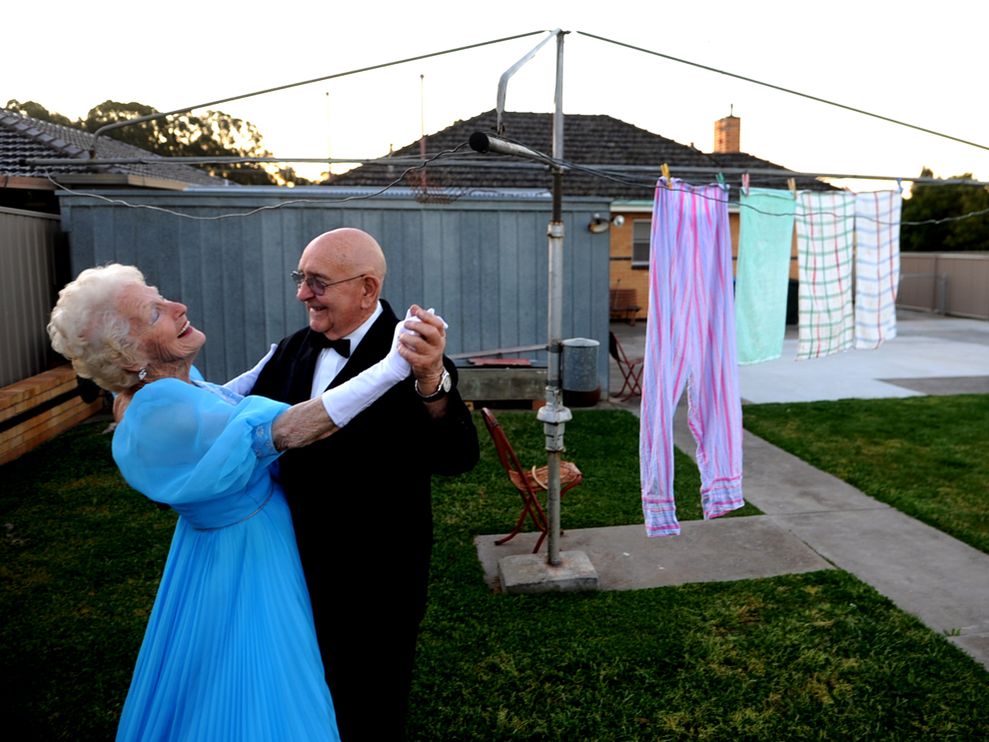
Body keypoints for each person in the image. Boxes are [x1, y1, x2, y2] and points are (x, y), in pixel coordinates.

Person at [47, 262, 439, 742]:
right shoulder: (157, 411)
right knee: (255, 683)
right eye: (155, 313)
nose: (178, 306)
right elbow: (293, 427)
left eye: (161, 295)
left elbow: (216, 404)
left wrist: (259, 369)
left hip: (225, 548)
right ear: (130, 356)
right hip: (245, 562)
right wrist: (395, 366)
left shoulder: (159, 390)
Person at [250, 227, 479, 741]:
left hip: (379, 576)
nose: (302, 294)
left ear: (367, 289)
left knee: (372, 701)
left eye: (317, 282)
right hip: (293, 562)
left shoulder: (416, 355)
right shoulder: (293, 349)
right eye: (301, 278)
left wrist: (433, 383)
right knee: (308, 687)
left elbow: (457, 457)